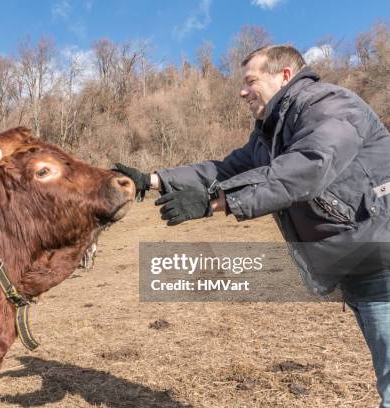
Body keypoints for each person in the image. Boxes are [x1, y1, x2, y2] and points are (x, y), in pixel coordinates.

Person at [114, 45, 390, 407]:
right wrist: (152, 180)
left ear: (285, 76)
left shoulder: (332, 106)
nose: (242, 92)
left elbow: (306, 167)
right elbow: (224, 169)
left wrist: (216, 202)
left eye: (250, 81)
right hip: (358, 266)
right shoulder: (267, 133)